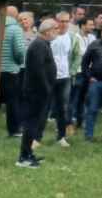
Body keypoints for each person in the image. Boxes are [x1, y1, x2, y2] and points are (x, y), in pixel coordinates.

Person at [17, 19, 59, 168]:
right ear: (47, 31)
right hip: (36, 92)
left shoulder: (43, 44)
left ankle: (28, 153)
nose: (57, 32)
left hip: (40, 91)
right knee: (31, 124)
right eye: (55, 29)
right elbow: (38, 71)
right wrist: (47, 88)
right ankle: (23, 157)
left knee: (35, 124)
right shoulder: (38, 45)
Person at [0, 6, 27, 138]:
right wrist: (20, 62)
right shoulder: (16, 29)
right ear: (16, 16)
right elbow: (20, 51)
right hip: (11, 70)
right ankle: (14, 129)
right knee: (13, 101)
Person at [50, 11, 76, 148]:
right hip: (49, 77)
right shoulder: (49, 36)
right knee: (43, 107)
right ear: (56, 21)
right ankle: (35, 137)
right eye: (62, 21)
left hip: (65, 77)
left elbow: (75, 55)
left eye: (67, 21)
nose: (64, 24)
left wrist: (72, 71)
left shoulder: (71, 37)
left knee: (63, 108)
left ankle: (61, 136)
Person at [69, 17, 94, 131]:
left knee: (84, 98)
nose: (92, 27)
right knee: (74, 98)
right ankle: (70, 121)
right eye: (90, 24)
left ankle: (81, 120)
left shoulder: (92, 37)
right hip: (78, 72)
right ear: (83, 26)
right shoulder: (75, 37)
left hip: (88, 72)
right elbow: (74, 55)